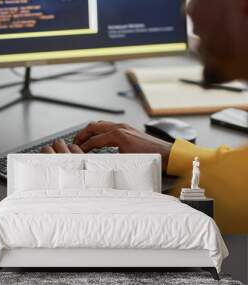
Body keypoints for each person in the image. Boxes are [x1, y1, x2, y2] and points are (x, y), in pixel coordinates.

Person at [41, 0, 248, 235]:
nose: (187, 10)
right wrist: (172, 154)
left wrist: (84, 189)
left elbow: (152, 237)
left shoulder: (223, 191)